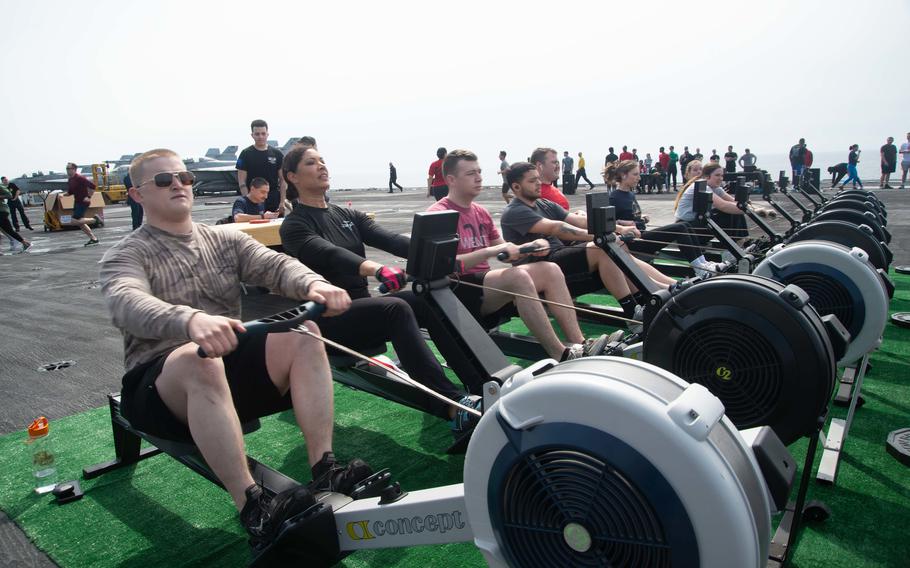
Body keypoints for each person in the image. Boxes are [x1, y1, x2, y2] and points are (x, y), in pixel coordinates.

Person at [99, 148, 373, 553]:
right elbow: (125, 300)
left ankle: (324, 467)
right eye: (163, 180)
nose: (178, 184)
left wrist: (313, 283)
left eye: (184, 177)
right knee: (199, 359)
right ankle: (253, 505)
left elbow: (277, 266)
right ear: (137, 195)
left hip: (222, 371)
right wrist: (189, 320)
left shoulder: (224, 239)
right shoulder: (126, 254)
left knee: (306, 332)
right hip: (158, 388)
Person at [278, 145, 482, 433]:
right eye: (311, 163)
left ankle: (479, 384)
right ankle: (452, 406)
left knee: (424, 298)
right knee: (394, 307)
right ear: (292, 177)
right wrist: (377, 269)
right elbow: (328, 253)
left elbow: (390, 240)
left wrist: (439, 254)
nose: (322, 166)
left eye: (322, 160)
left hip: (362, 308)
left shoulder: (346, 214)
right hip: (326, 318)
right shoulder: (294, 226)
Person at [428, 150, 609, 361]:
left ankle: (580, 343)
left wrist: (530, 247)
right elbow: (445, 266)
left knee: (549, 269)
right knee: (517, 277)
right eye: (470, 174)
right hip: (455, 290)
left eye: (479, 171)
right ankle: (561, 354)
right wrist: (491, 251)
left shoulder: (480, 212)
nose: (478, 177)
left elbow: (506, 250)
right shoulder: (438, 214)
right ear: (451, 180)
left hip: (483, 285)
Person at [500, 161, 675, 318]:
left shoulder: (544, 204)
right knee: (601, 248)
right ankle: (634, 312)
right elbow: (557, 228)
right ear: (516, 187)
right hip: (541, 266)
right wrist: (599, 237)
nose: (538, 183)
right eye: (532, 181)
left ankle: (664, 288)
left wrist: (620, 229)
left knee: (617, 244)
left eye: (538, 179)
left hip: (558, 257)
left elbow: (581, 220)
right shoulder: (515, 211)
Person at [604, 160, 721, 277]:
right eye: (635, 174)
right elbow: (606, 223)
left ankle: (703, 263)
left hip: (642, 235)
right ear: (624, 175)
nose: (639, 178)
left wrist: (641, 217)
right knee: (680, 227)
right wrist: (621, 222)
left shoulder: (630, 194)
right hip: (633, 242)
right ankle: (700, 269)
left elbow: (629, 214)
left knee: (686, 225)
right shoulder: (614, 197)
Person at [674, 161, 748, 244]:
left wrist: (753, 208)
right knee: (728, 213)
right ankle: (734, 245)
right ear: (707, 176)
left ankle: (741, 241)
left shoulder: (716, 188)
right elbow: (723, 206)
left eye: (722, 175)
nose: (720, 178)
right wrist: (747, 210)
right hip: (685, 228)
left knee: (735, 210)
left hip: (696, 223)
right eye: (717, 175)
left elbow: (735, 202)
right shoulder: (701, 187)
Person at [236, 119, 286, 214]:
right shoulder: (245, 154)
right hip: (254, 201)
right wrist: (248, 201)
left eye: (263, 133)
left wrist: (282, 202)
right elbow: (241, 181)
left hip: (273, 201)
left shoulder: (277, 154)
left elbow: (283, 181)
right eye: (257, 134)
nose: (260, 137)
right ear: (252, 135)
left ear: (267, 134)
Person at [63, 162, 100, 246]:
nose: (67, 170)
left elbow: (93, 186)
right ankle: (93, 239)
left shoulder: (80, 178)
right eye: (66, 169)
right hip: (77, 202)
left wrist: (89, 197)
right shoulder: (70, 179)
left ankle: (95, 220)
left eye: (69, 169)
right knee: (81, 223)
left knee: (73, 221)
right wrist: (63, 195)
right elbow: (70, 192)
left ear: (74, 169)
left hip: (83, 202)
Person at [0, 180, 31, 252]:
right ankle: (25, 243)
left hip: (2, 211)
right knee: (9, 230)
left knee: (8, 230)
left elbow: (9, 195)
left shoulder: (0, 186)